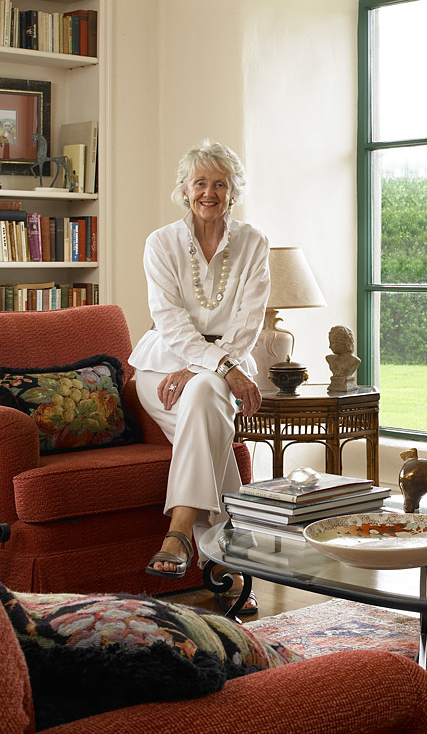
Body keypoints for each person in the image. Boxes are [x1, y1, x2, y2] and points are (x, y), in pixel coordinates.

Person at [130, 140, 268, 614]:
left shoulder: (254, 243)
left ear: (233, 192)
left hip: (216, 370)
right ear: (185, 190)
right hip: (162, 368)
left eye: (220, 184)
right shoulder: (160, 243)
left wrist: (210, 367)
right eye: (200, 183)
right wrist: (219, 366)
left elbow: (248, 322)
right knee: (209, 402)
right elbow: (169, 321)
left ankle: (179, 533)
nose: (209, 192)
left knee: (205, 396)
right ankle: (229, 566)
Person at [325, 324, 361, 392]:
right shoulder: (329, 359)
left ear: (342, 343)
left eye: (332, 343)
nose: (330, 346)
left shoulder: (354, 361)